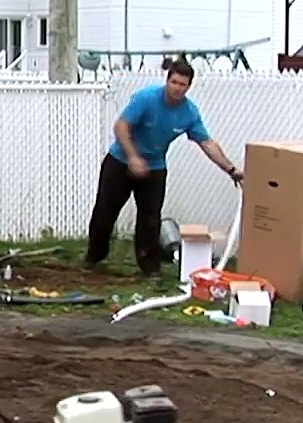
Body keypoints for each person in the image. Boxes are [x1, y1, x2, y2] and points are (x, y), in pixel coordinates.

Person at [83, 59, 242, 276]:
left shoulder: (189, 112)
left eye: (182, 84)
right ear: (167, 80)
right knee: (105, 211)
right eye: (174, 82)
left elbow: (207, 143)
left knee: (150, 217)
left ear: (189, 86)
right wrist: (133, 157)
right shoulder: (146, 98)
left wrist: (231, 170)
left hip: (155, 166)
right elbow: (121, 126)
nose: (177, 88)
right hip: (120, 160)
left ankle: (150, 268)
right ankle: (94, 258)